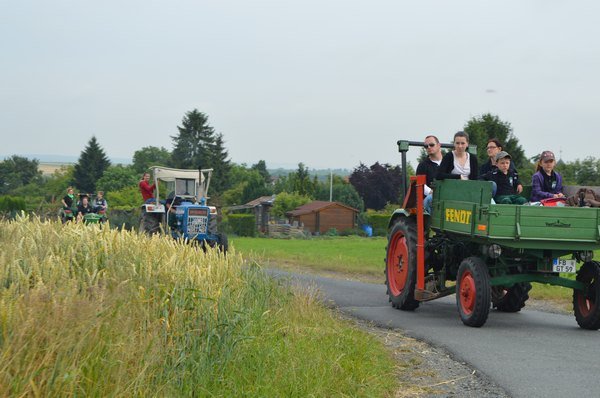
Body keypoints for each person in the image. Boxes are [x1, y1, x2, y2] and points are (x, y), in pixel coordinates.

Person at [416, 135, 442, 213]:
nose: (429, 147)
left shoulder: (449, 163)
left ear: (439, 145)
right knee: (431, 198)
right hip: (430, 198)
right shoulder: (423, 165)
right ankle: (432, 223)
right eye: (426, 146)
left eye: (431, 145)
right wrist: (431, 192)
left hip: (447, 195)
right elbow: (420, 184)